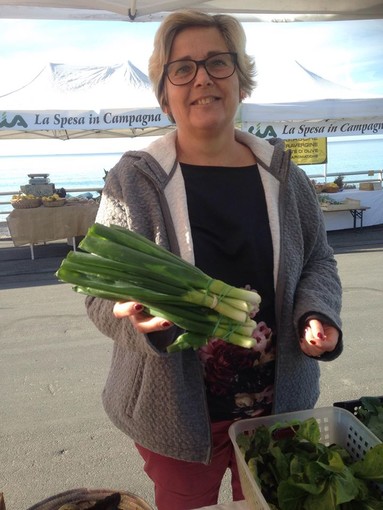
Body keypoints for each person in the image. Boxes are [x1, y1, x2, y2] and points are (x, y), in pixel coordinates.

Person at [85, 9, 343, 510]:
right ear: (165, 93)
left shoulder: (285, 176)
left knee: (271, 502)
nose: (201, 77)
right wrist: (133, 318)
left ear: (241, 81)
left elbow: (319, 260)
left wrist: (316, 313)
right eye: (182, 68)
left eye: (217, 63)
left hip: (277, 408)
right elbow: (100, 290)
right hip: (177, 415)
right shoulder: (135, 180)